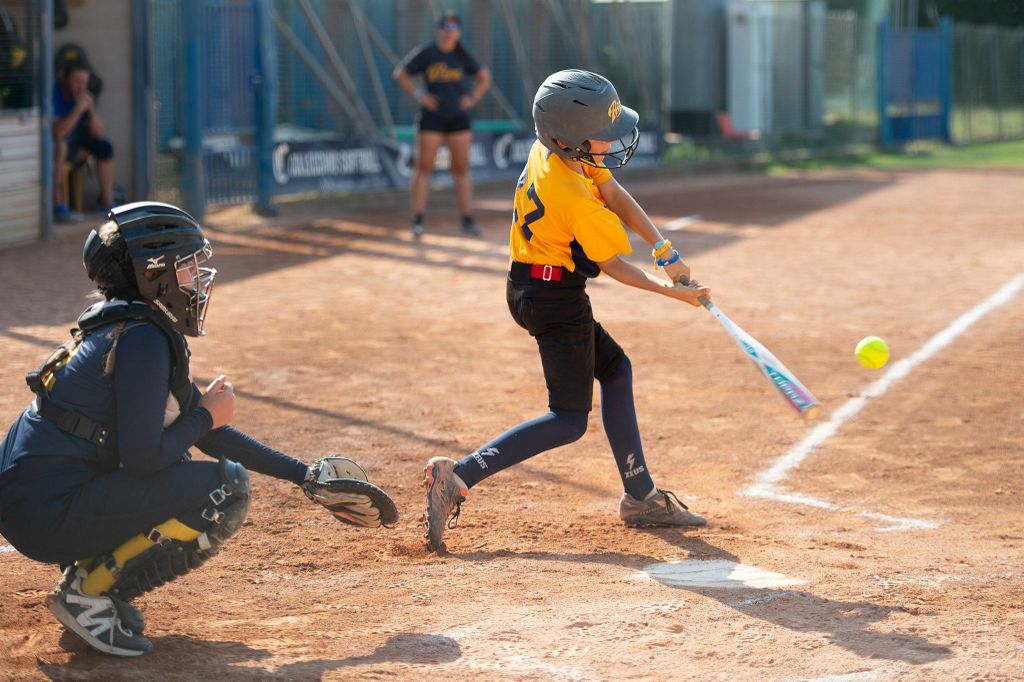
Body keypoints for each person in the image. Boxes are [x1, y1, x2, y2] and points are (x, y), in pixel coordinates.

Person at [0, 202, 396, 656]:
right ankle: (87, 593)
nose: (198, 277)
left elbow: (200, 430)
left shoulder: (124, 324)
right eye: (186, 266)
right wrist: (206, 414)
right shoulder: (143, 338)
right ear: (153, 273)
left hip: (31, 501)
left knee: (182, 454)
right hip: (46, 513)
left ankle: (91, 584)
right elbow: (146, 457)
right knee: (223, 488)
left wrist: (301, 474)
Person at [422, 70, 712, 553]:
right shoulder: (573, 197)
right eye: (603, 134)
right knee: (568, 418)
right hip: (553, 300)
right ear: (569, 139)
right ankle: (459, 475)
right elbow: (615, 267)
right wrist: (673, 292)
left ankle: (640, 496)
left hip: (532, 284)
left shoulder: (558, 153)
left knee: (615, 369)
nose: (613, 141)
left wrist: (664, 248)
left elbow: (614, 192)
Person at [393, 11, 491, 238]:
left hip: (458, 119)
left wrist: (472, 98)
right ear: (439, 30)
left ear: (458, 32)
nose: (449, 33)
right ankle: (417, 219)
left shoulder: (462, 54)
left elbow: (484, 77)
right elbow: (400, 74)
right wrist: (420, 95)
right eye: (446, 28)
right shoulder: (427, 53)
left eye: (453, 29)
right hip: (432, 118)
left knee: (461, 168)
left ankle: (467, 219)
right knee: (423, 167)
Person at [52, 61, 115, 222]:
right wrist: (79, 108)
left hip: (75, 145)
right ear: (65, 80)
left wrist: (91, 109)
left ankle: (108, 204)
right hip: (55, 148)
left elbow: (98, 133)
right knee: (61, 145)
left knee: (104, 147)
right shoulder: (55, 93)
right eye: (76, 81)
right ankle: (58, 205)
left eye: (84, 82)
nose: (81, 86)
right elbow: (59, 133)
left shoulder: (84, 96)